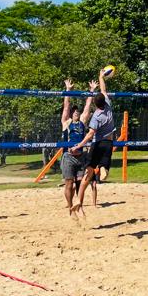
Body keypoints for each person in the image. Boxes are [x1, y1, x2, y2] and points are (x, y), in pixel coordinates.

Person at [70, 69, 115, 217]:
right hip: (108, 143)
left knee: (86, 176)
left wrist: (79, 145)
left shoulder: (95, 116)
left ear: (95, 105)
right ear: (104, 100)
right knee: (104, 171)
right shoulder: (108, 105)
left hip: (96, 145)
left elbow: (90, 134)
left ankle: (78, 200)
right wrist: (101, 77)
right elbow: (103, 89)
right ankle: (103, 169)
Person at [60, 79, 93, 215]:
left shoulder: (82, 122)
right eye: (73, 112)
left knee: (80, 185)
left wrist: (91, 91)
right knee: (69, 184)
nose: (75, 112)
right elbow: (66, 106)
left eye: (76, 112)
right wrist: (68, 90)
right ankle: (70, 208)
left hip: (81, 157)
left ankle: (79, 206)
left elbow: (87, 107)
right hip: (68, 157)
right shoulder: (66, 123)